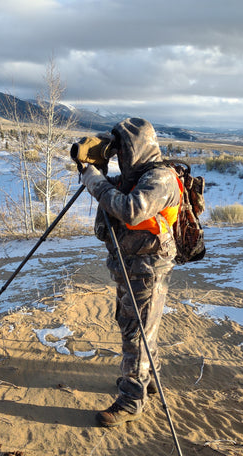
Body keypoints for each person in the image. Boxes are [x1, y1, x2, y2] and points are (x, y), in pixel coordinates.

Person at [81, 117, 181, 427]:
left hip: (147, 267)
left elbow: (130, 209)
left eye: (121, 149)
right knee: (135, 323)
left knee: (136, 330)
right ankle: (148, 379)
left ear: (135, 148)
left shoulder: (160, 178)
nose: (119, 155)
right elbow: (113, 211)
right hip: (130, 264)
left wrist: (94, 181)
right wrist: (98, 170)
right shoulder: (135, 176)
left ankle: (132, 399)